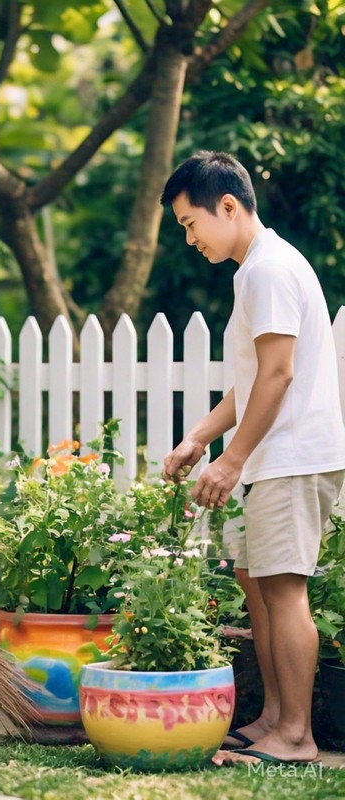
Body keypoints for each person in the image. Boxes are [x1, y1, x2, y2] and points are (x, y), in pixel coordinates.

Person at [160, 151, 345, 766]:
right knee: (256, 583)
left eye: (191, 223)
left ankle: (296, 736)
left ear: (230, 207)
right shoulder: (254, 271)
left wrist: (230, 460)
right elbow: (251, 379)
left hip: (289, 454)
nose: (189, 238)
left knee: (284, 588)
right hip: (271, 455)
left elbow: (279, 374)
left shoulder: (267, 269)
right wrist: (199, 439)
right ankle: (272, 718)